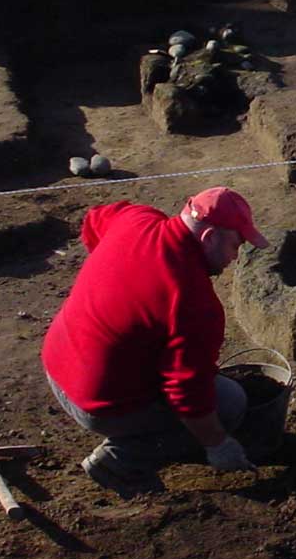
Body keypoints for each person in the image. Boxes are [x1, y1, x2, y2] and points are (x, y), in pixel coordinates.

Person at [41, 187, 270, 497]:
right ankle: (120, 461)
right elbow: (187, 392)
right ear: (210, 237)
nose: (235, 256)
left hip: (57, 364)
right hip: (96, 404)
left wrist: (117, 279)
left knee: (193, 375)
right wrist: (218, 444)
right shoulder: (192, 301)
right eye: (236, 244)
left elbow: (94, 219)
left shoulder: (136, 219)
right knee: (229, 403)